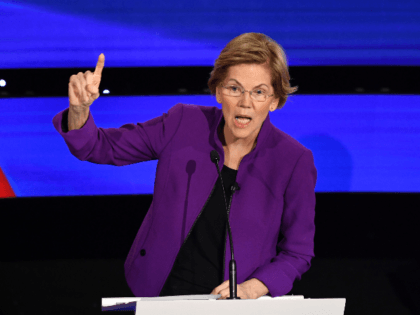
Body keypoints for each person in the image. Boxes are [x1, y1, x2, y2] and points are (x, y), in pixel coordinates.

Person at [52, 32, 317, 300]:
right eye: (234, 88)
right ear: (217, 91)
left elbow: (298, 252)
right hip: (158, 293)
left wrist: (254, 287)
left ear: (275, 101)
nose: (245, 102)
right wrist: (79, 110)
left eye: (259, 92)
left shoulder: (293, 161)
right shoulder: (183, 123)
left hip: (233, 302)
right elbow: (98, 146)